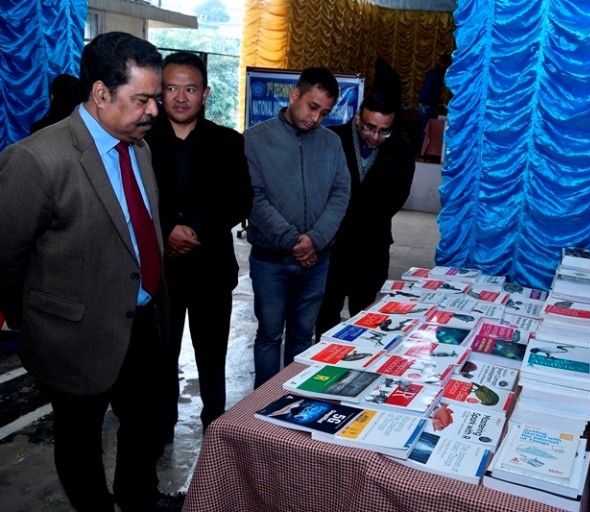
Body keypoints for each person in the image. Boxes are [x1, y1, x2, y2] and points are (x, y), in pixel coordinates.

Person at [0, 32, 185, 512]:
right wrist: (34, 320)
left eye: (156, 98)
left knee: (145, 424)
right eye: (142, 99)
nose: (155, 111)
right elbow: (6, 258)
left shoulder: (139, 148)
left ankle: (138, 497)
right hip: (74, 336)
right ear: (101, 93)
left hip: (142, 322)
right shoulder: (37, 159)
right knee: (80, 440)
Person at [144, 52, 252, 437]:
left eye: (190, 89)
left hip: (211, 270)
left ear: (205, 93)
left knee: (211, 358)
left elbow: (240, 199)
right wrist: (166, 230)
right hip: (159, 273)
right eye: (171, 88)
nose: (180, 97)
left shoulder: (227, 141)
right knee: (160, 357)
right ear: (160, 92)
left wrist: (194, 230)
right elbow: (133, 199)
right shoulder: (141, 140)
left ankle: (214, 428)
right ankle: (161, 426)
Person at [244, 67, 350, 388]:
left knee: (303, 335)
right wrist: (293, 241)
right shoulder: (255, 140)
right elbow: (253, 198)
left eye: (325, 112)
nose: (316, 118)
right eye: (312, 106)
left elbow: (340, 193)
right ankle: (262, 404)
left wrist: (314, 240)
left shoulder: (331, 143)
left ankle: (293, 401)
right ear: (294, 95)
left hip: (317, 262)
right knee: (269, 336)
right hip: (271, 262)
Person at [315, 92, 415, 338]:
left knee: (365, 322)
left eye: (384, 131)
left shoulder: (401, 151)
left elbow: (395, 199)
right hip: (331, 248)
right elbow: (318, 192)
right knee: (326, 315)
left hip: (372, 248)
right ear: (358, 116)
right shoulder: (330, 139)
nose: (375, 137)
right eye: (370, 128)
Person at [417, 53, 451, 154]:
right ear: (445, 63)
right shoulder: (435, 74)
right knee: (426, 130)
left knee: (426, 129)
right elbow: (426, 92)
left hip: (427, 104)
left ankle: (423, 152)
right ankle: (422, 152)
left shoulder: (436, 73)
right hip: (426, 105)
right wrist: (436, 103)